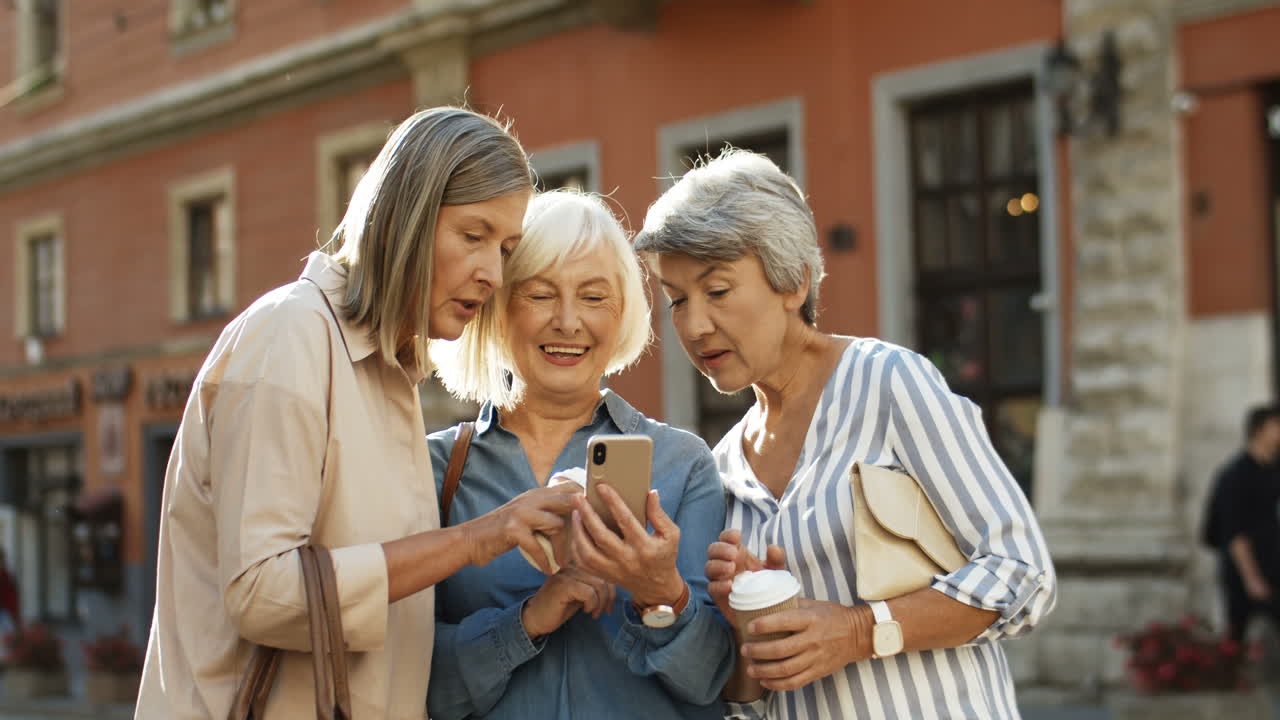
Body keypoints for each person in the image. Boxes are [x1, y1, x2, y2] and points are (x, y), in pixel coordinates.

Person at [136, 108, 583, 719]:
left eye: (505, 248)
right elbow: (262, 593)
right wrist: (474, 540)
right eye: (473, 235)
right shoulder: (290, 335)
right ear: (406, 216)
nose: (493, 273)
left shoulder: (385, 373)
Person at [634, 149, 1057, 719]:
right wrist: (746, 625)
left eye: (718, 290)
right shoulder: (723, 465)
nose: (694, 325)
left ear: (794, 282)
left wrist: (860, 631)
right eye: (677, 300)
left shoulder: (889, 381)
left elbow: (1022, 574)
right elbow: (747, 704)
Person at [425, 190, 735, 719]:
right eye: (541, 294)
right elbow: (419, 686)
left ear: (622, 316)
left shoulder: (683, 465)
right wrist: (526, 621)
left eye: (593, 298)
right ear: (499, 305)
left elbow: (711, 682)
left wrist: (662, 592)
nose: (568, 322)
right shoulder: (437, 470)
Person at [1202, 404, 1280, 645]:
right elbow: (1234, 533)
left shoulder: (1273, 470)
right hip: (1244, 572)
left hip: (1273, 567)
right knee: (1237, 635)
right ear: (1259, 430)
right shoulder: (1235, 475)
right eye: (1276, 425)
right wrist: (1252, 579)